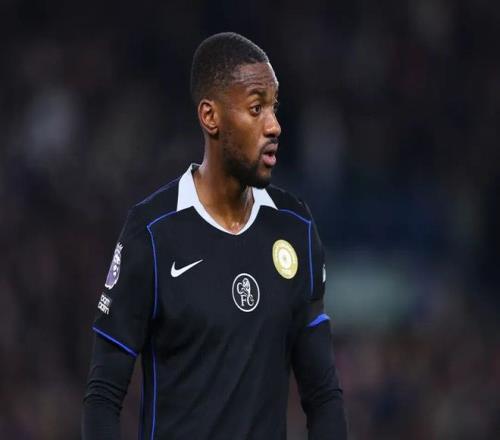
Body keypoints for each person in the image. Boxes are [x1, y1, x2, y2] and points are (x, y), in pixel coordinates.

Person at [82, 32, 347, 440]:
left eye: (274, 108)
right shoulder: (152, 233)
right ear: (211, 117)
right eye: (256, 108)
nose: (274, 125)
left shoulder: (295, 228)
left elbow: (323, 395)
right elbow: (103, 396)